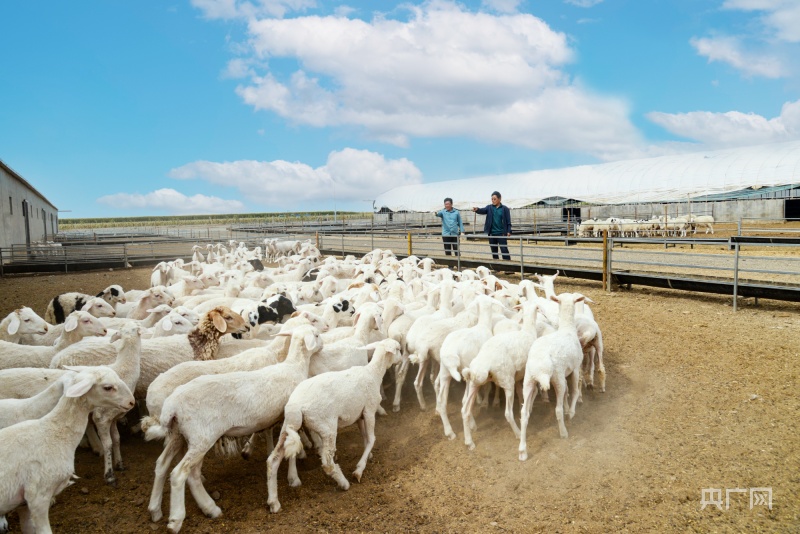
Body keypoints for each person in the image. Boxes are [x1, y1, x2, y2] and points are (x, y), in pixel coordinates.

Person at [473, 191, 511, 261]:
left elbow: (508, 221)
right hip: (492, 233)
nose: (493, 200)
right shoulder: (489, 207)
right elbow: (482, 210)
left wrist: (508, 231)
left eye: (494, 199)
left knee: (504, 250)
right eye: (492, 199)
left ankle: (508, 266)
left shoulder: (505, 209)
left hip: (501, 233)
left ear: (499, 199)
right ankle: (496, 265)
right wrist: (477, 209)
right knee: (494, 251)